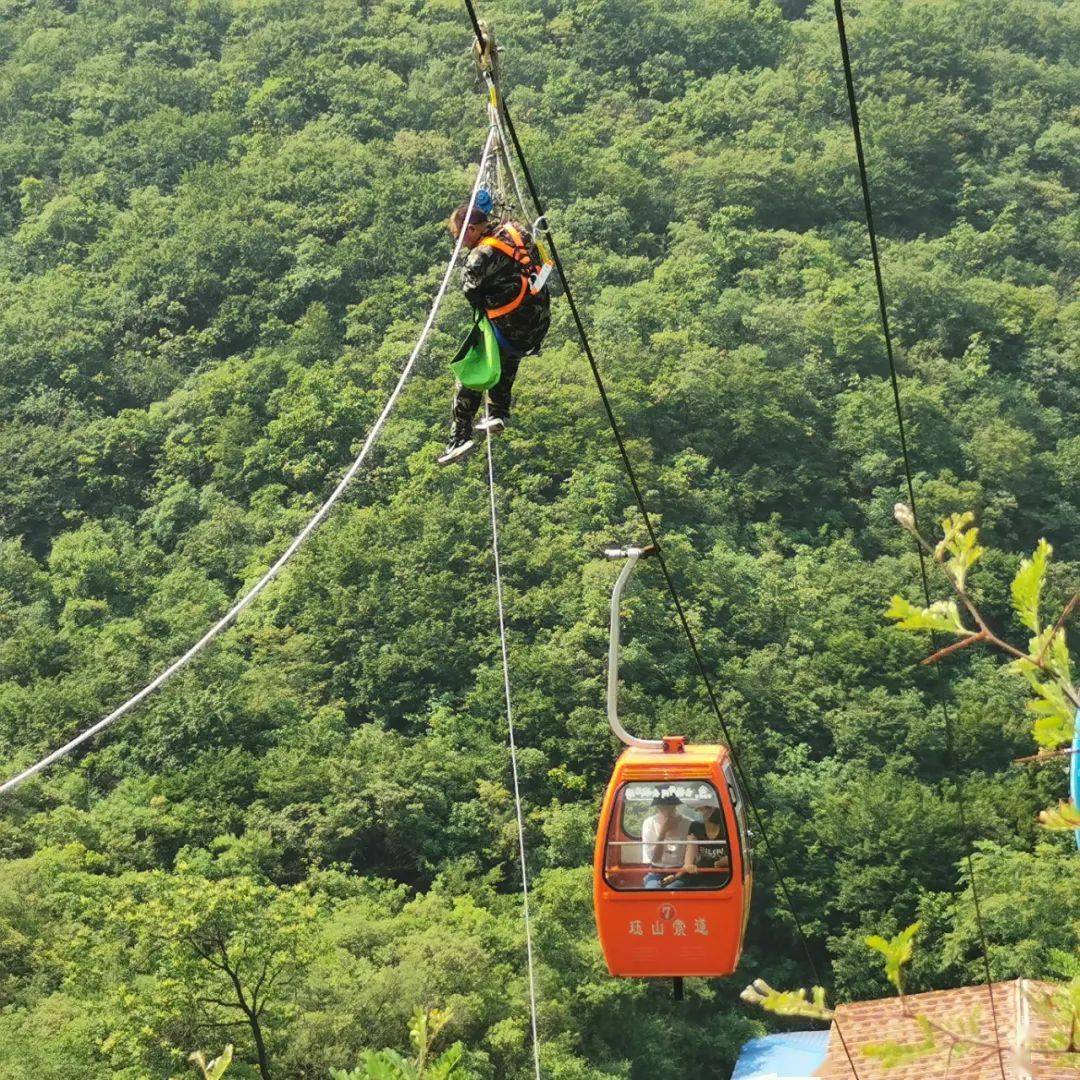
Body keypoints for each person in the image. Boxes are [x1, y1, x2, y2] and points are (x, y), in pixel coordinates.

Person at [437, 204, 551, 465]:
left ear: (474, 229)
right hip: (538, 321)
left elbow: (470, 291)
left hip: (512, 324)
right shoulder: (517, 231)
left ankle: (459, 436)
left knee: (472, 371)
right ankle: (498, 411)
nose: (458, 242)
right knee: (508, 356)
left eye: (460, 235)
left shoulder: (481, 255)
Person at [661, 807, 729, 889]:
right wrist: (675, 877)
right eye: (700, 809)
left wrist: (728, 861)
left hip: (724, 877)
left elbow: (737, 856)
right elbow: (689, 859)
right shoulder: (696, 827)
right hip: (701, 871)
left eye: (707, 808)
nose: (702, 811)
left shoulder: (728, 828)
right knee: (671, 888)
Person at [641, 792, 691, 888]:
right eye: (662, 807)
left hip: (680, 871)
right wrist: (663, 832)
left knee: (671, 889)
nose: (666, 810)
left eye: (670, 806)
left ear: (675, 806)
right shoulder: (649, 823)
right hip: (656, 871)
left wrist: (676, 876)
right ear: (658, 807)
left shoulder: (688, 824)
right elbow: (655, 859)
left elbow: (690, 859)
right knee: (653, 889)